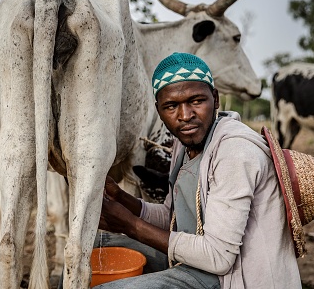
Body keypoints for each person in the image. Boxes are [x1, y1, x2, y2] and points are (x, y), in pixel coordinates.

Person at [96, 52, 301, 288]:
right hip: (198, 261)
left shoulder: (235, 151)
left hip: (233, 278)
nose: (185, 116)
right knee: (95, 245)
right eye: (171, 106)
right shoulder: (185, 144)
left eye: (196, 101)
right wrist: (121, 198)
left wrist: (131, 226)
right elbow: (172, 217)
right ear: (159, 110)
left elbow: (218, 258)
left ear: (215, 98)